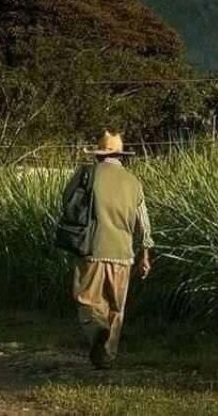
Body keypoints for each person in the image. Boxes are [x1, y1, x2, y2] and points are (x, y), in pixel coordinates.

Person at [71, 130, 154, 370]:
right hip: (123, 254)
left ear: (98, 154)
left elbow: (69, 204)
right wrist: (145, 255)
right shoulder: (134, 182)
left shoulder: (86, 175)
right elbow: (144, 224)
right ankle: (107, 356)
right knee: (117, 307)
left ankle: (97, 330)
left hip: (91, 248)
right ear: (120, 155)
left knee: (86, 299)